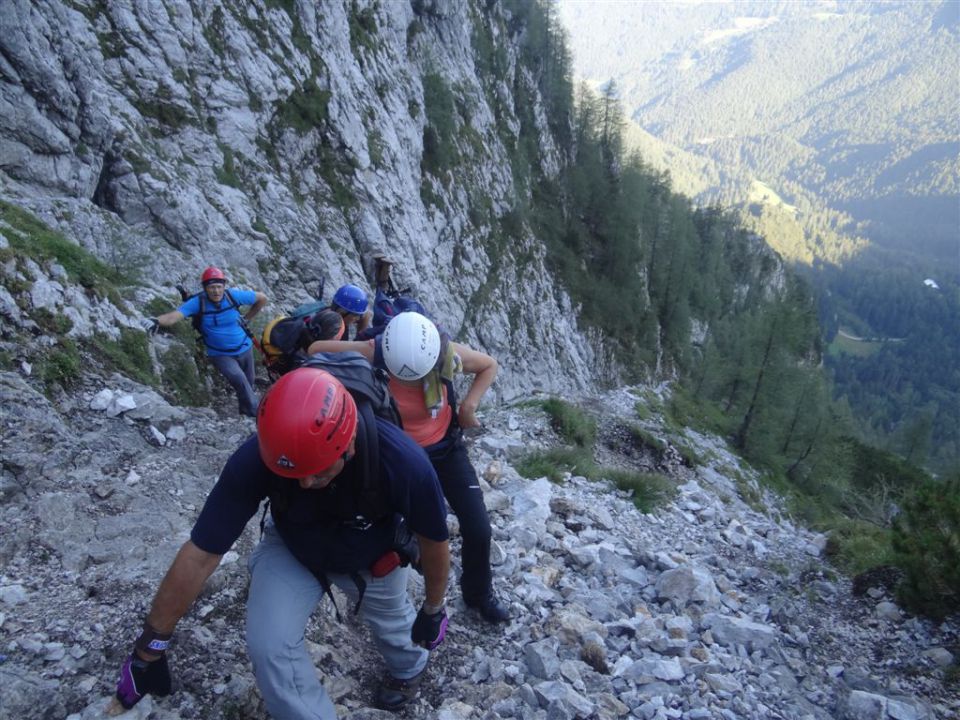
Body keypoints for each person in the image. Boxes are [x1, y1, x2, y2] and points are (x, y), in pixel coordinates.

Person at [113, 368, 451, 718]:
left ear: (349, 443)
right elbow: (202, 551)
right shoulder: (260, 457)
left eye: (319, 471)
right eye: (294, 473)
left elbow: (434, 539)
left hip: (372, 551)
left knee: (396, 628)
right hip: (294, 546)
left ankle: (409, 668)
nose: (305, 483)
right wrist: (150, 646)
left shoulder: (403, 464)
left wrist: (433, 608)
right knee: (269, 646)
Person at [308, 311, 511, 623]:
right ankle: (397, 598)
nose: (411, 382)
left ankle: (478, 594)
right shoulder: (375, 352)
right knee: (407, 531)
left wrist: (468, 408)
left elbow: (488, 365)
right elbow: (314, 351)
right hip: (399, 458)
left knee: (479, 529)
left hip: (445, 450)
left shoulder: (446, 354)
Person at [143, 267, 267, 417]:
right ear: (205, 288)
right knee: (240, 380)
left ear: (223, 286)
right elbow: (174, 316)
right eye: (212, 287)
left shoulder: (233, 296)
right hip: (220, 354)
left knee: (248, 383)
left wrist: (247, 317)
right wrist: (156, 320)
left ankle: (245, 413)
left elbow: (262, 298)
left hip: (245, 347)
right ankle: (257, 415)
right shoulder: (198, 302)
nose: (216, 291)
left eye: (219, 287)